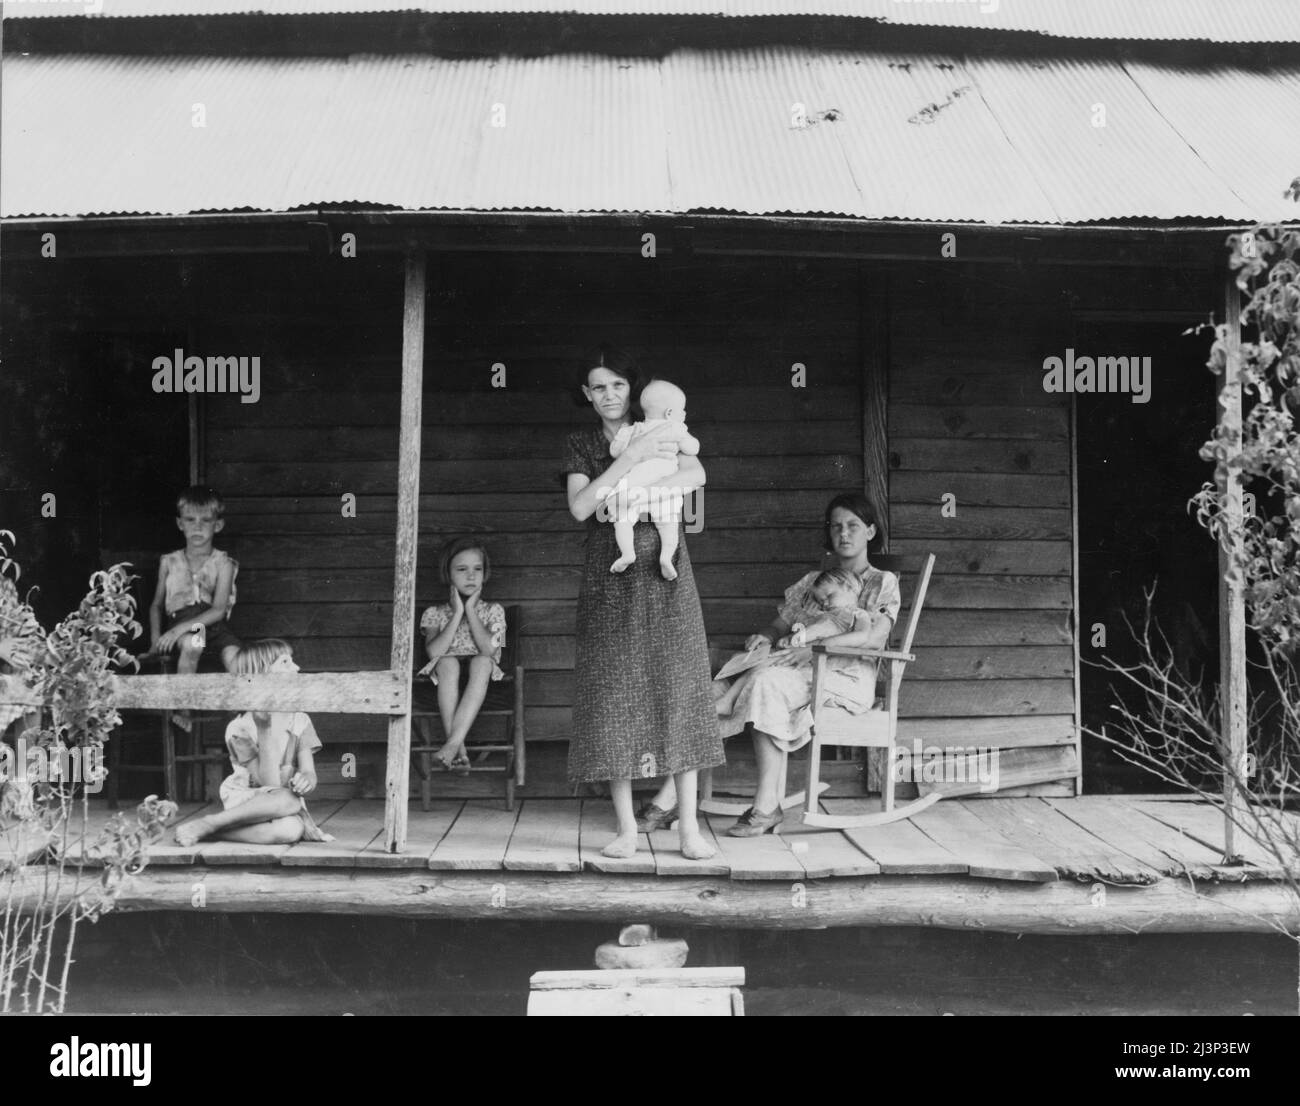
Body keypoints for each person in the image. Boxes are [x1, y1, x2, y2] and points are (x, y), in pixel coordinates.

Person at [638, 494, 899, 838]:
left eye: (852, 526)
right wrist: (762, 637)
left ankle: (766, 805)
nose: (844, 533)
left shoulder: (882, 582)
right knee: (714, 690)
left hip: (843, 677)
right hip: (789, 668)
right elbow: (777, 627)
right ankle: (671, 796)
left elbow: (874, 639)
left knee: (765, 683)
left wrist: (814, 651)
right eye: (836, 526)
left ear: (870, 531)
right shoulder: (812, 582)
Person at [562, 345, 723, 860]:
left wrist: (637, 495)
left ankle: (690, 829)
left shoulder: (661, 423)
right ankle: (628, 828)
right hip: (609, 583)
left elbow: (697, 474)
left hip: (669, 577)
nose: (609, 395)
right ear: (587, 396)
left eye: (617, 385)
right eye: (598, 387)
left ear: (632, 389)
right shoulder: (584, 443)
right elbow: (581, 507)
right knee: (614, 695)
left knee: (681, 687)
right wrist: (628, 465)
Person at [174, 639, 332, 847]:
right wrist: (264, 729)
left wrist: (307, 780)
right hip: (248, 801)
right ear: (260, 674)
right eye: (285, 662)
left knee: (291, 829)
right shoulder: (239, 729)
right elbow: (269, 783)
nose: (297, 668)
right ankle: (212, 822)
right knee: (289, 800)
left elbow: (309, 772)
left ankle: (211, 830)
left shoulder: (299, 720)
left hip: (281, 804)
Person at [711, 567, 867, 718]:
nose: (825, 603)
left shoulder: (857, 614)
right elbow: (808, 633)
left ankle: (728, 700)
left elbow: (862, 636)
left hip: (820, 667)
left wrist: (825, 643)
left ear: (849, 587)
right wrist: (790, 639)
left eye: (829, 595)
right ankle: (728, 701)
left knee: (763, 666)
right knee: (751, 661)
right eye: (821, 601)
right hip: (801, 660)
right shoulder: (821, 616)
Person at [417, 537, 508, 770]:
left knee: (482, 661)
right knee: (447, 663)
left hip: (483, 677)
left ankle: (452, 745)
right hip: (447, 675)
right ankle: (458, 748)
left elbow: (490, 648)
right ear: (448, 574)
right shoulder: (434, 613)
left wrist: (470, 610)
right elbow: (434, 652)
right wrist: (457, 613)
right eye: (462, 569)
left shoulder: (494, 611)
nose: (471, 576)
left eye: (477, 569)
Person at [603, 379, 700, 580]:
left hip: (633, 487)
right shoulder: (675, 428)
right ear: (670, 414)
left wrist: (624, 439)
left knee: (622, 521)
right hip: (662, 488)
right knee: (669, 525)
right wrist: (687, 437)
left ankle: (628, 553)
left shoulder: (632, 430)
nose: (684, 414)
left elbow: (615, 452)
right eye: (682, 410)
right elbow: (692, 448)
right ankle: (666, 557)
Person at [148, 485, 241, 675]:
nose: (197, 526)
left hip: (214, 628)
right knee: (193, 644)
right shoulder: (169, 561)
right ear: (180, 523)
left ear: (218, 525)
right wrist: (155, 642)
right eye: (190, 520)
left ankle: (239, 705)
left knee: (237, 657)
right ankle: (185, 705)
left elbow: (218, 610)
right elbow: (156, 605)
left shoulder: (224, 563)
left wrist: (178, 630)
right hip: (186, 628)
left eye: (206, 520)